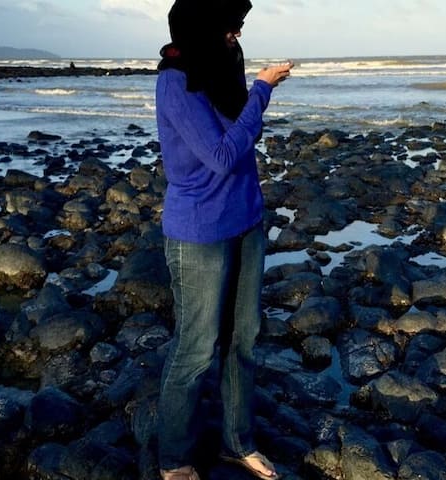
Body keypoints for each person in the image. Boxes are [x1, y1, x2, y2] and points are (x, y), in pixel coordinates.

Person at [152, 0, 291, 479]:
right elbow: (222, 155)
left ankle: (238, 443)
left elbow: (240, 136)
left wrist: (251, 89)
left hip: (246, 223)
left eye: (239, 26)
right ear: (203, 29)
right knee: (195, 348)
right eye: (229, 27)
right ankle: (174, 458)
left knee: (243, 340)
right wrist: (263, 90)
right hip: (199, 234)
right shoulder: (175, 81)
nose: (236, 35)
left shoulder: (220, 71)